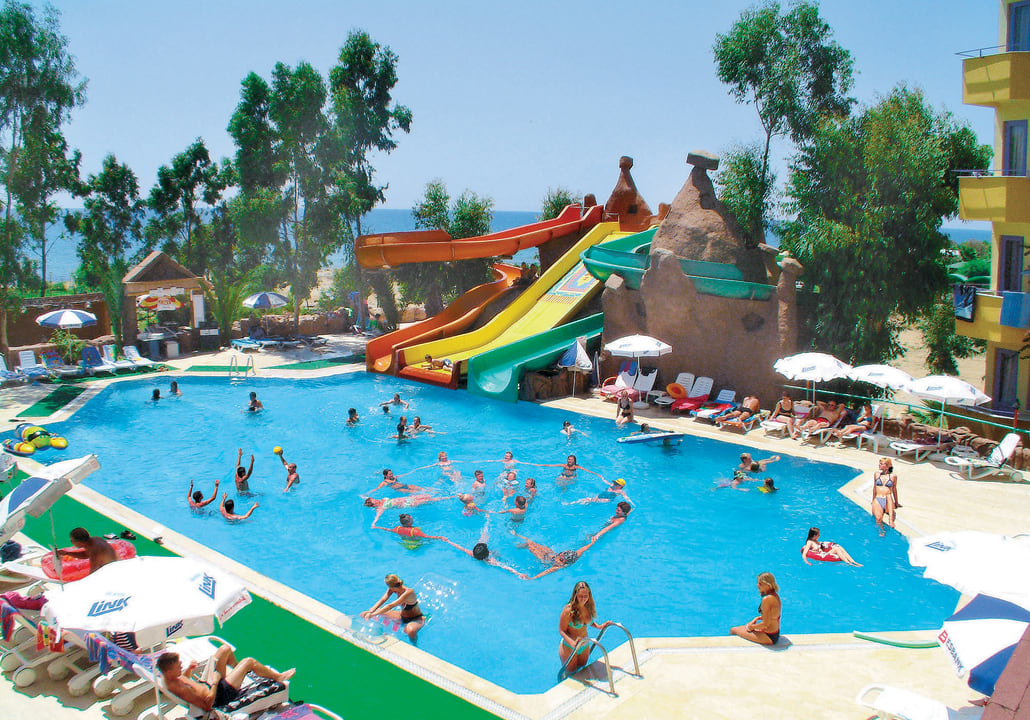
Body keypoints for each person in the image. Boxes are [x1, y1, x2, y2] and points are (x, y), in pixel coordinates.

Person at [156, 647, 294, 716]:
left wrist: (189, 670)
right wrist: (215, 682)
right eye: (178, 666)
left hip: (207, 684)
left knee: (224, 649)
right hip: (220, 695)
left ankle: (240, 673)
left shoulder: (169, 677)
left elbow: (184, 678)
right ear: (169, 672)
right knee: (249, 661)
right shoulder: (180, 688)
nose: (181, 666)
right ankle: (278, 677)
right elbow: (207, 705)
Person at [558, 581, 612, 674]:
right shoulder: (568, 610)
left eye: (585, 596)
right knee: (571, 674)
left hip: (584, 645)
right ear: (575, 595)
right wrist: (572, 643)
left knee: (582, 671)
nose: (583, 599)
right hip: (570, 647)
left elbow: (587, 622)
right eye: (580, 596)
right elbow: (562, 630)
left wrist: (599, 626)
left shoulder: (588, 607)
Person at [512, 529, 601, 580]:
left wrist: (532, 578)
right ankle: (516, 535)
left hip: (545, 559)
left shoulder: (558, 566)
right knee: (531, 542)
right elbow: (584, 548)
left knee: (529, 546)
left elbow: (545, 572)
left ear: (564, 563)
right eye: (560, 555)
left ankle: (515, 546)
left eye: (561, 559)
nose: (558, 558)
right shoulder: (576, 555)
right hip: (551, 554)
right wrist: (592, 542)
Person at [360, 574, 425, 642]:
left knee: (410, 630)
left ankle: (414, 643)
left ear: (391, 586)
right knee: (367, 613)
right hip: (402, 616)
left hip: (415, 618)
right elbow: (383, 599)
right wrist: (370, 611)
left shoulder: (409, 592)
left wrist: (373, 614)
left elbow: (391, 605)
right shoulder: (393, 589)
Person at [730, 572, 782, 646]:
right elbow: (772, 616)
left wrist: (751, 627)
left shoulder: (767, 599)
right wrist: (757, 618)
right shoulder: (775, 596)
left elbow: (766, 624)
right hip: (774, 633)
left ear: (768, 585)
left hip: (768, 636)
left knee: (733, 630)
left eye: (760, 584)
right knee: (741, 628)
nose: (758, 585)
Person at [363, 494, 455, 525]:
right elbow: (377, 516)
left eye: (373, 498)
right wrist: (374, 523)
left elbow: (366, 498)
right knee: (428, 500)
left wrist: (363, 497)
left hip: (407, 498)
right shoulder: (380, 508)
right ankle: (448, 497)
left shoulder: (381, 500)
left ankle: (443, 494)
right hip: (406, 504)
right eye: (373, 500)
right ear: (373, 504)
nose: (375, 499)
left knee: (427, 495)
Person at [872, 457, 897, 535]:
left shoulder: (893, 476)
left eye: (881, 464)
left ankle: (890, 520)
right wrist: (873, 500)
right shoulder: (876, 474)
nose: (879, 465)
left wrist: (896, 502)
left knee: (888, 496)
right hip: (878, 498)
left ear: (887, 466)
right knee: (878, 519)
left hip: (888, 499)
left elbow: (894, 489)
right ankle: (882, 532)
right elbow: (874, 487)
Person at [372, 512, 444, 540]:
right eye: (412, 519)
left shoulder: (397, 528)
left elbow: (388, 530)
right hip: (415, 545)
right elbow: (427, 537)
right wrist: (440, 537)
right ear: (409, 523)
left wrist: (377, 527)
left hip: (405, 544)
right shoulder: (415, 531)